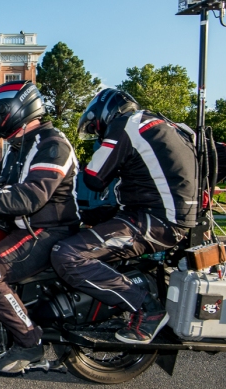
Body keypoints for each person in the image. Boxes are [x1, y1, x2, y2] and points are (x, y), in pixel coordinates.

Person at [0, 80, 80, 375]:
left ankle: (30, 343)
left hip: (47, 230)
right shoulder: (18, 146)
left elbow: (31, 196)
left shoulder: (51, 144)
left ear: (15, 111)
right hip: (22, 227)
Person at [50, 88, 199, 344]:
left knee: (68, 254)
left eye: (97, 127)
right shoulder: (163, 125)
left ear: (107, 112)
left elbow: (94, 178)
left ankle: (147, 309)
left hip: (155, 221)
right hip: (160, 214)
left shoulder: (127, 124)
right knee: (86, 219)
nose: (99, 133)